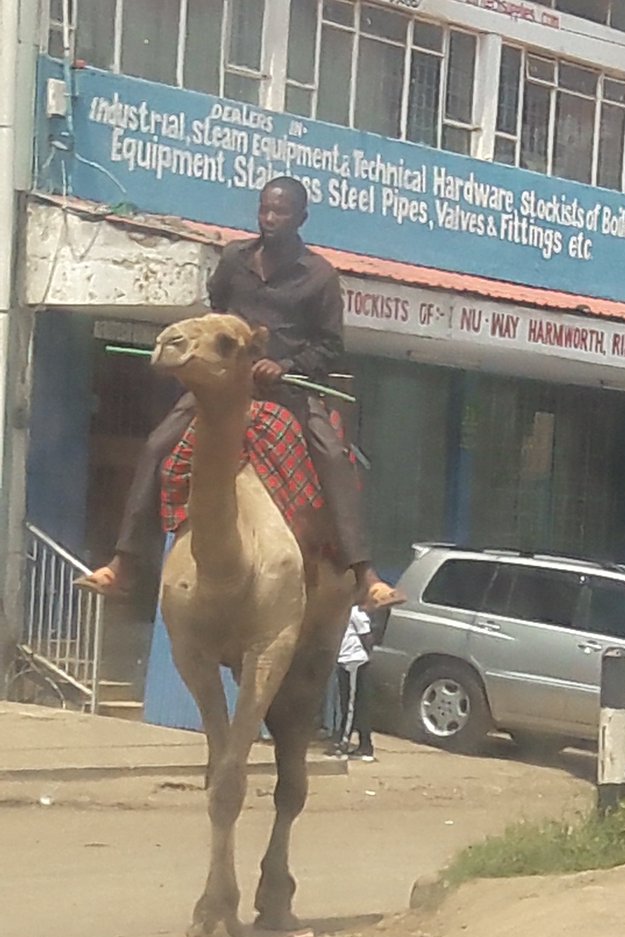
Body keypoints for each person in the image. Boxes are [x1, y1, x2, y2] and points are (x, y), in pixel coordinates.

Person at [77, 177, 402, 610]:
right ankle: (124, 564)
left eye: (280, 212)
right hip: (226, 383)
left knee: (332, 455)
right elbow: (217, 313)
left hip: (285, 391)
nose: (269, 219)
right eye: (265, 209)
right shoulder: (234, 259)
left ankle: (365, 575)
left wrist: (284, 365)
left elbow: (329, 346)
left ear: (301, 218)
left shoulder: (319, 276)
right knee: (157, 445)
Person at [331, 604, 376, 762]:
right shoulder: (340, 611)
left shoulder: (355, 612)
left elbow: (367, 636)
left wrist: (367, 656)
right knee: (353, 705)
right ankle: (365, 745)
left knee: (350, 706)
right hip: (345, 661)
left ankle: (344, 742)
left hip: (353, 662)